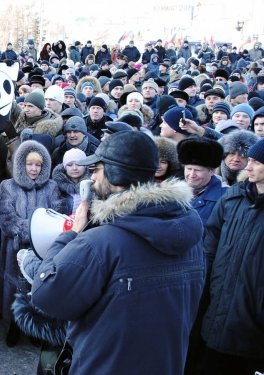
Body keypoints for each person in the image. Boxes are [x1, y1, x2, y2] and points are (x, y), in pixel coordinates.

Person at [29, 131, 205, 374]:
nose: (93, 177)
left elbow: (46, 295)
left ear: (115, 174)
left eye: (97, 170)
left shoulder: (99, 242)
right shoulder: (191, 233)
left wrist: (72, 235)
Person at [201, 139, 264, 374]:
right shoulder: (233, 197)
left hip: (254, 331)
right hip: (218, 314)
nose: (247, 167)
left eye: (257, 162)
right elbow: (211, 244)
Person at [0, 140, 63, 347]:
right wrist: (33, 230)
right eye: (29, 164)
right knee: (16, 289)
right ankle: (14, 325)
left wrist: (42, 234)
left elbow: (58, 215)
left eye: (39, 165)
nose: (34, 169)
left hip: (43, 251)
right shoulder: (7, 186)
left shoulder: (51, 187)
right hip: (14, 250)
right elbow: (5, 217)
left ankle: (35, 327)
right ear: (20, 164)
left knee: (38, 289)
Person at [51, 148, 90, 215]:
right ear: (65, 167)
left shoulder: (94, 185)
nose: (74, 168)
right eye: (70, 165)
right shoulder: (55, 187)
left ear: (85, 166)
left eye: (78, 164)